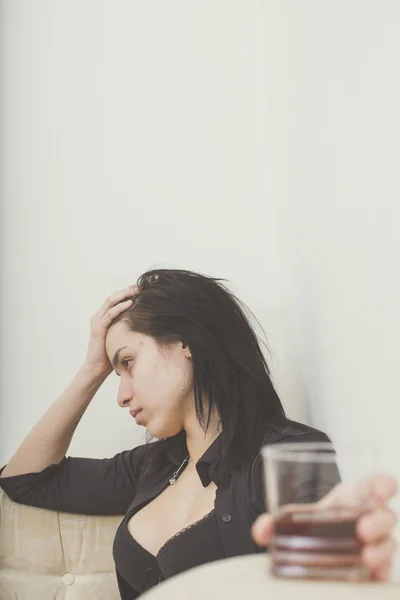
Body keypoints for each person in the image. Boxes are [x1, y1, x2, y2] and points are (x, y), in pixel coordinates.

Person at [0, 269, 397, 599]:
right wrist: (91, 368)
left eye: (127, 363)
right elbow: (25, 480)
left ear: (185, 342)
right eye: (113, 373)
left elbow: (320, 573)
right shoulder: (153, 466)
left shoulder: (285, 453)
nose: (120, 396)